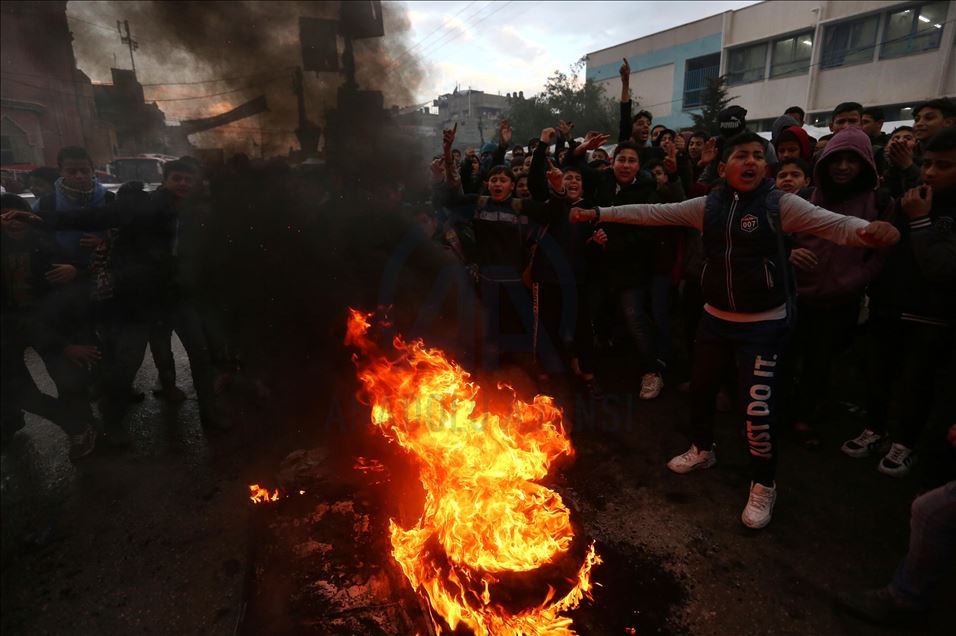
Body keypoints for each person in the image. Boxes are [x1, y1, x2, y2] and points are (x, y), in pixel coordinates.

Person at [570, 131, 900, 529]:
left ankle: (763, 483)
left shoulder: (781, 204)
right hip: (714, 320)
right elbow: (654, 212)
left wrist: (869, 230)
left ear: (766, 166)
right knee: (702, 392)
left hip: (764, 326)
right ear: (723, 168)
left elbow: (835, 224)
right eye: (741, 155)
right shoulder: (706, 206)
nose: (751, 162)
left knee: (757, 413)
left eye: (758, 156)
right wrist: (599, 214)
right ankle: (702, 448)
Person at [843, 128, 956, 476]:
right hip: (889, 303)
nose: (931, 172)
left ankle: (905, 441)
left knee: (915, 381)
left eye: (944, 165)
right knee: (878, 372)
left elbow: (943, 269)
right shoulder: (913, 194)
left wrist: (921, 220)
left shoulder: (936, 209)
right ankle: (876, 428)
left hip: (931, 315)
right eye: (927, 163)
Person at [788, 128, 893, 447]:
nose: (843, 167)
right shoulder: (805, 198)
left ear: (866, 164)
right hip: (794, 297)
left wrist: (853, 279)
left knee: (819, 365)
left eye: (852, 160)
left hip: (839, 303)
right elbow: (780, 237)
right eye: (837, 159)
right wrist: (788, 254)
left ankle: (803, 418)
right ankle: (770, 416)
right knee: (781, 359)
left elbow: (882, 255)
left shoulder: (879, 202)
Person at [1, 194, 98, 459]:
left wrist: (75, 270)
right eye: (4, 216)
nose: (12, 222)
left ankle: (82, 429)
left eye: (17, 215)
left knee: (69, 380)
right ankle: (75, 422)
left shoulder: (45, 244)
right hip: (9, 330)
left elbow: (80, 280)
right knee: (19, 391)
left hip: (53, 325)